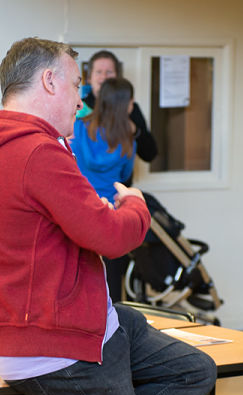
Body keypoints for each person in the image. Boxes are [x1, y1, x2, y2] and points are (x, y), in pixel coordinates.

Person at [0, 37, 216, 395]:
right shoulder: (36, 151)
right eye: (76, 85)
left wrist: (97, 214)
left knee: (192, 370)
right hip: (61, 344)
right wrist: (136, 207)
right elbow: (112, 237)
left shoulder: (0, 148)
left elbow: (59, 228)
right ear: (49, 80)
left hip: (87, 322)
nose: (81, 100)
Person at [72, 76, 137, 302]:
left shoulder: (78, 127)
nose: (132, 106)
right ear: (122, 105)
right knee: (112, 282)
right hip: (113, 214)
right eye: (130, 101)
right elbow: (126, 175)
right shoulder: (127, 138)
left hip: (83, 211)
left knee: (82, 276)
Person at [81, 50, 157, 163]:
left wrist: (134, 131)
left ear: (118, 77)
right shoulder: (78, 107)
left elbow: (150, 154)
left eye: (109, 72)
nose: (104, 77)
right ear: (89, 78)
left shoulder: (130, 108)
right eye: (98, 72)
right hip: (84, 179)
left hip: (121, 179)